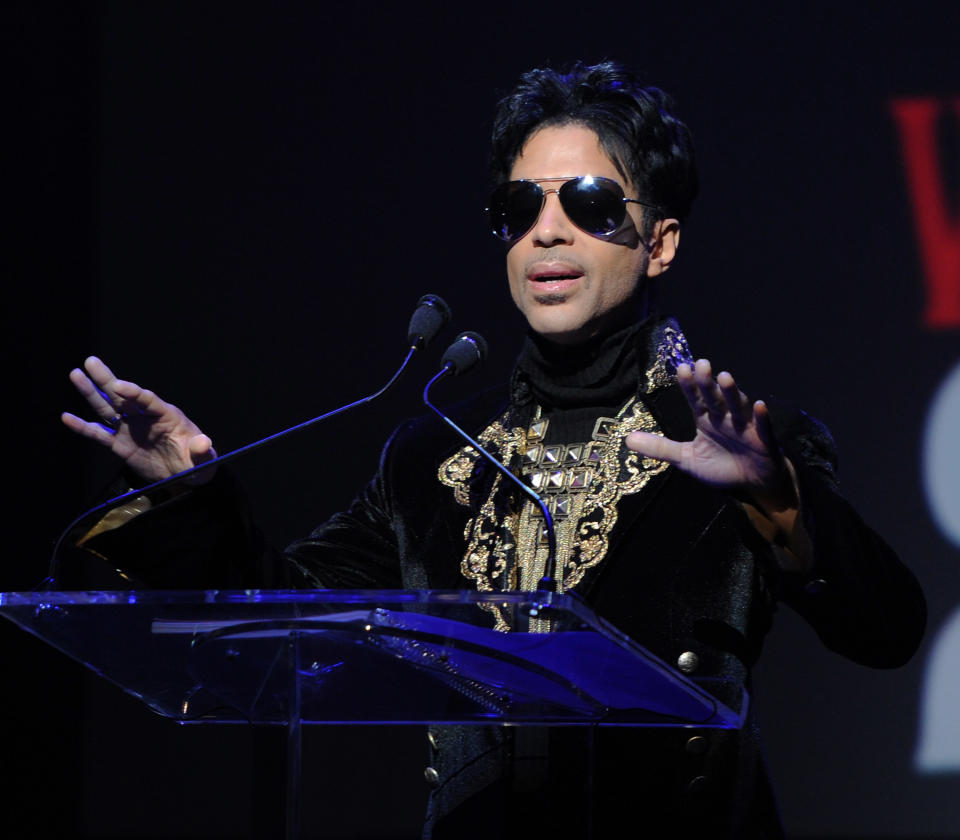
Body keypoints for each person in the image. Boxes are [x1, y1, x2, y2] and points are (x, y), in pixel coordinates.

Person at [61, 61, 925, 838]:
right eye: (521, 208)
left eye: (588, 203)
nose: (546, 233)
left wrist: (773, 497)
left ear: (659, 242)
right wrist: (191, 497)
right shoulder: (434, 459)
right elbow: (297, 620)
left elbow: (886, 630)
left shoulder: (729, 444)